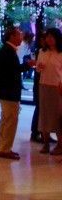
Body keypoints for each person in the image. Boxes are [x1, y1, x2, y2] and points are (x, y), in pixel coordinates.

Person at [0, 25, 25, 160]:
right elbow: (13, 71)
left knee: (6, 120)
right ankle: (5, 149)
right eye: (19, 35)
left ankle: (3, 147)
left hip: (6, 92)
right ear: (12, 36)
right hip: (9, 92)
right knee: (10, 120)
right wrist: (28, 65)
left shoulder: (7, 50)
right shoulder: (8, 51)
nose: (21, 37)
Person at [35, 27, 62, 155]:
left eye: (52, 37)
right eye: (48, 37)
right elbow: (37, 69)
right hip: (44, 85)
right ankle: (45, 144)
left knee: (57, 116)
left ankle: (60, 145)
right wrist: (38, 67)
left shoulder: (60, 53)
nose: (49, 39)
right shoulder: (42, 51)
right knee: (44, 115)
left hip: (57, 87)